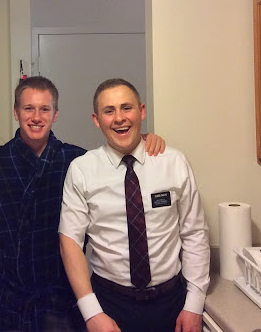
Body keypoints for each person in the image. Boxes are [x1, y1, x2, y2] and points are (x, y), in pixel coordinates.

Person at [0, 76, 165, 332]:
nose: (36, 117)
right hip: (9, 298)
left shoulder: (77, 162)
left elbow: (116, 156)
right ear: (16, 112)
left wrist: (143, 139)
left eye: (45, 109)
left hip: (62, 299)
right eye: (28, 108)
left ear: (55, 114)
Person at [59, 78, 210, 332]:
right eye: (109, 111)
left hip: (171, 304)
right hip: (109, 304)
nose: (119, 118)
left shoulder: (173, 163)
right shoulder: (82, 170)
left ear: (141, 111)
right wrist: (91, 312)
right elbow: (70, 242)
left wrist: (194, 305)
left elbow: (194, 233)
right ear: (97, 120)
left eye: (126, 108)